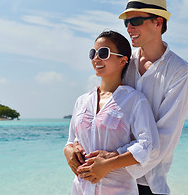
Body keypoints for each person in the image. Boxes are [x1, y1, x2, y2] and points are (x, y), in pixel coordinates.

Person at [65, 0, 188, 195]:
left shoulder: (179, 70)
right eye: (127, 22)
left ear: (158, 22)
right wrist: (73, 148)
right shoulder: (125, 61)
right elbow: (101, 111)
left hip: (148, 182)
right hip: (103, 178)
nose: (129, 28)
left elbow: (165, 135)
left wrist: (113, 160)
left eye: (136, 20)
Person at [65, 30, 160, 195]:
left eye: (103, 53)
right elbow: (71, 140)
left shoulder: (135, 100)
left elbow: (147, 145)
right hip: (81, 189)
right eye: (93, 53)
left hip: (118, 189)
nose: (96, 58)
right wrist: (68, 152)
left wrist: (109, 164)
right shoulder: (82, 101)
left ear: (123, 60)